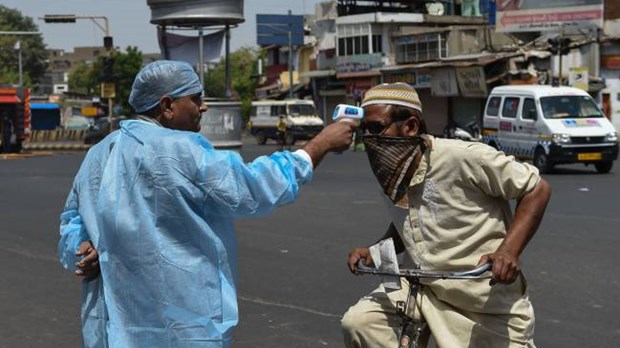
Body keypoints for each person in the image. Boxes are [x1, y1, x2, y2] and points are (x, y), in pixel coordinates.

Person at [58, 60, 355, 348]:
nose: (204, 106)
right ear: (167, 106)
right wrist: (318, 146)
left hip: (116, 326)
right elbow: (253, 188)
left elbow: (73, 217)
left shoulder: (99, 153)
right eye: (196, 98)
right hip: (180, 321)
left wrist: (81, 247)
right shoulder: (183, 150)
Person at [340, 82, 552, 347]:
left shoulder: (462, 157)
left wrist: (509, 251)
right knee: (360, 324)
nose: (368, 139)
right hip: (424, 291)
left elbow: (537, 189)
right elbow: (411, 220)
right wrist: (377, 251)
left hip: (484, 299)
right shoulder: (391, 172)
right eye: (364, 131)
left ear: (411, 126)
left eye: (375, 128)